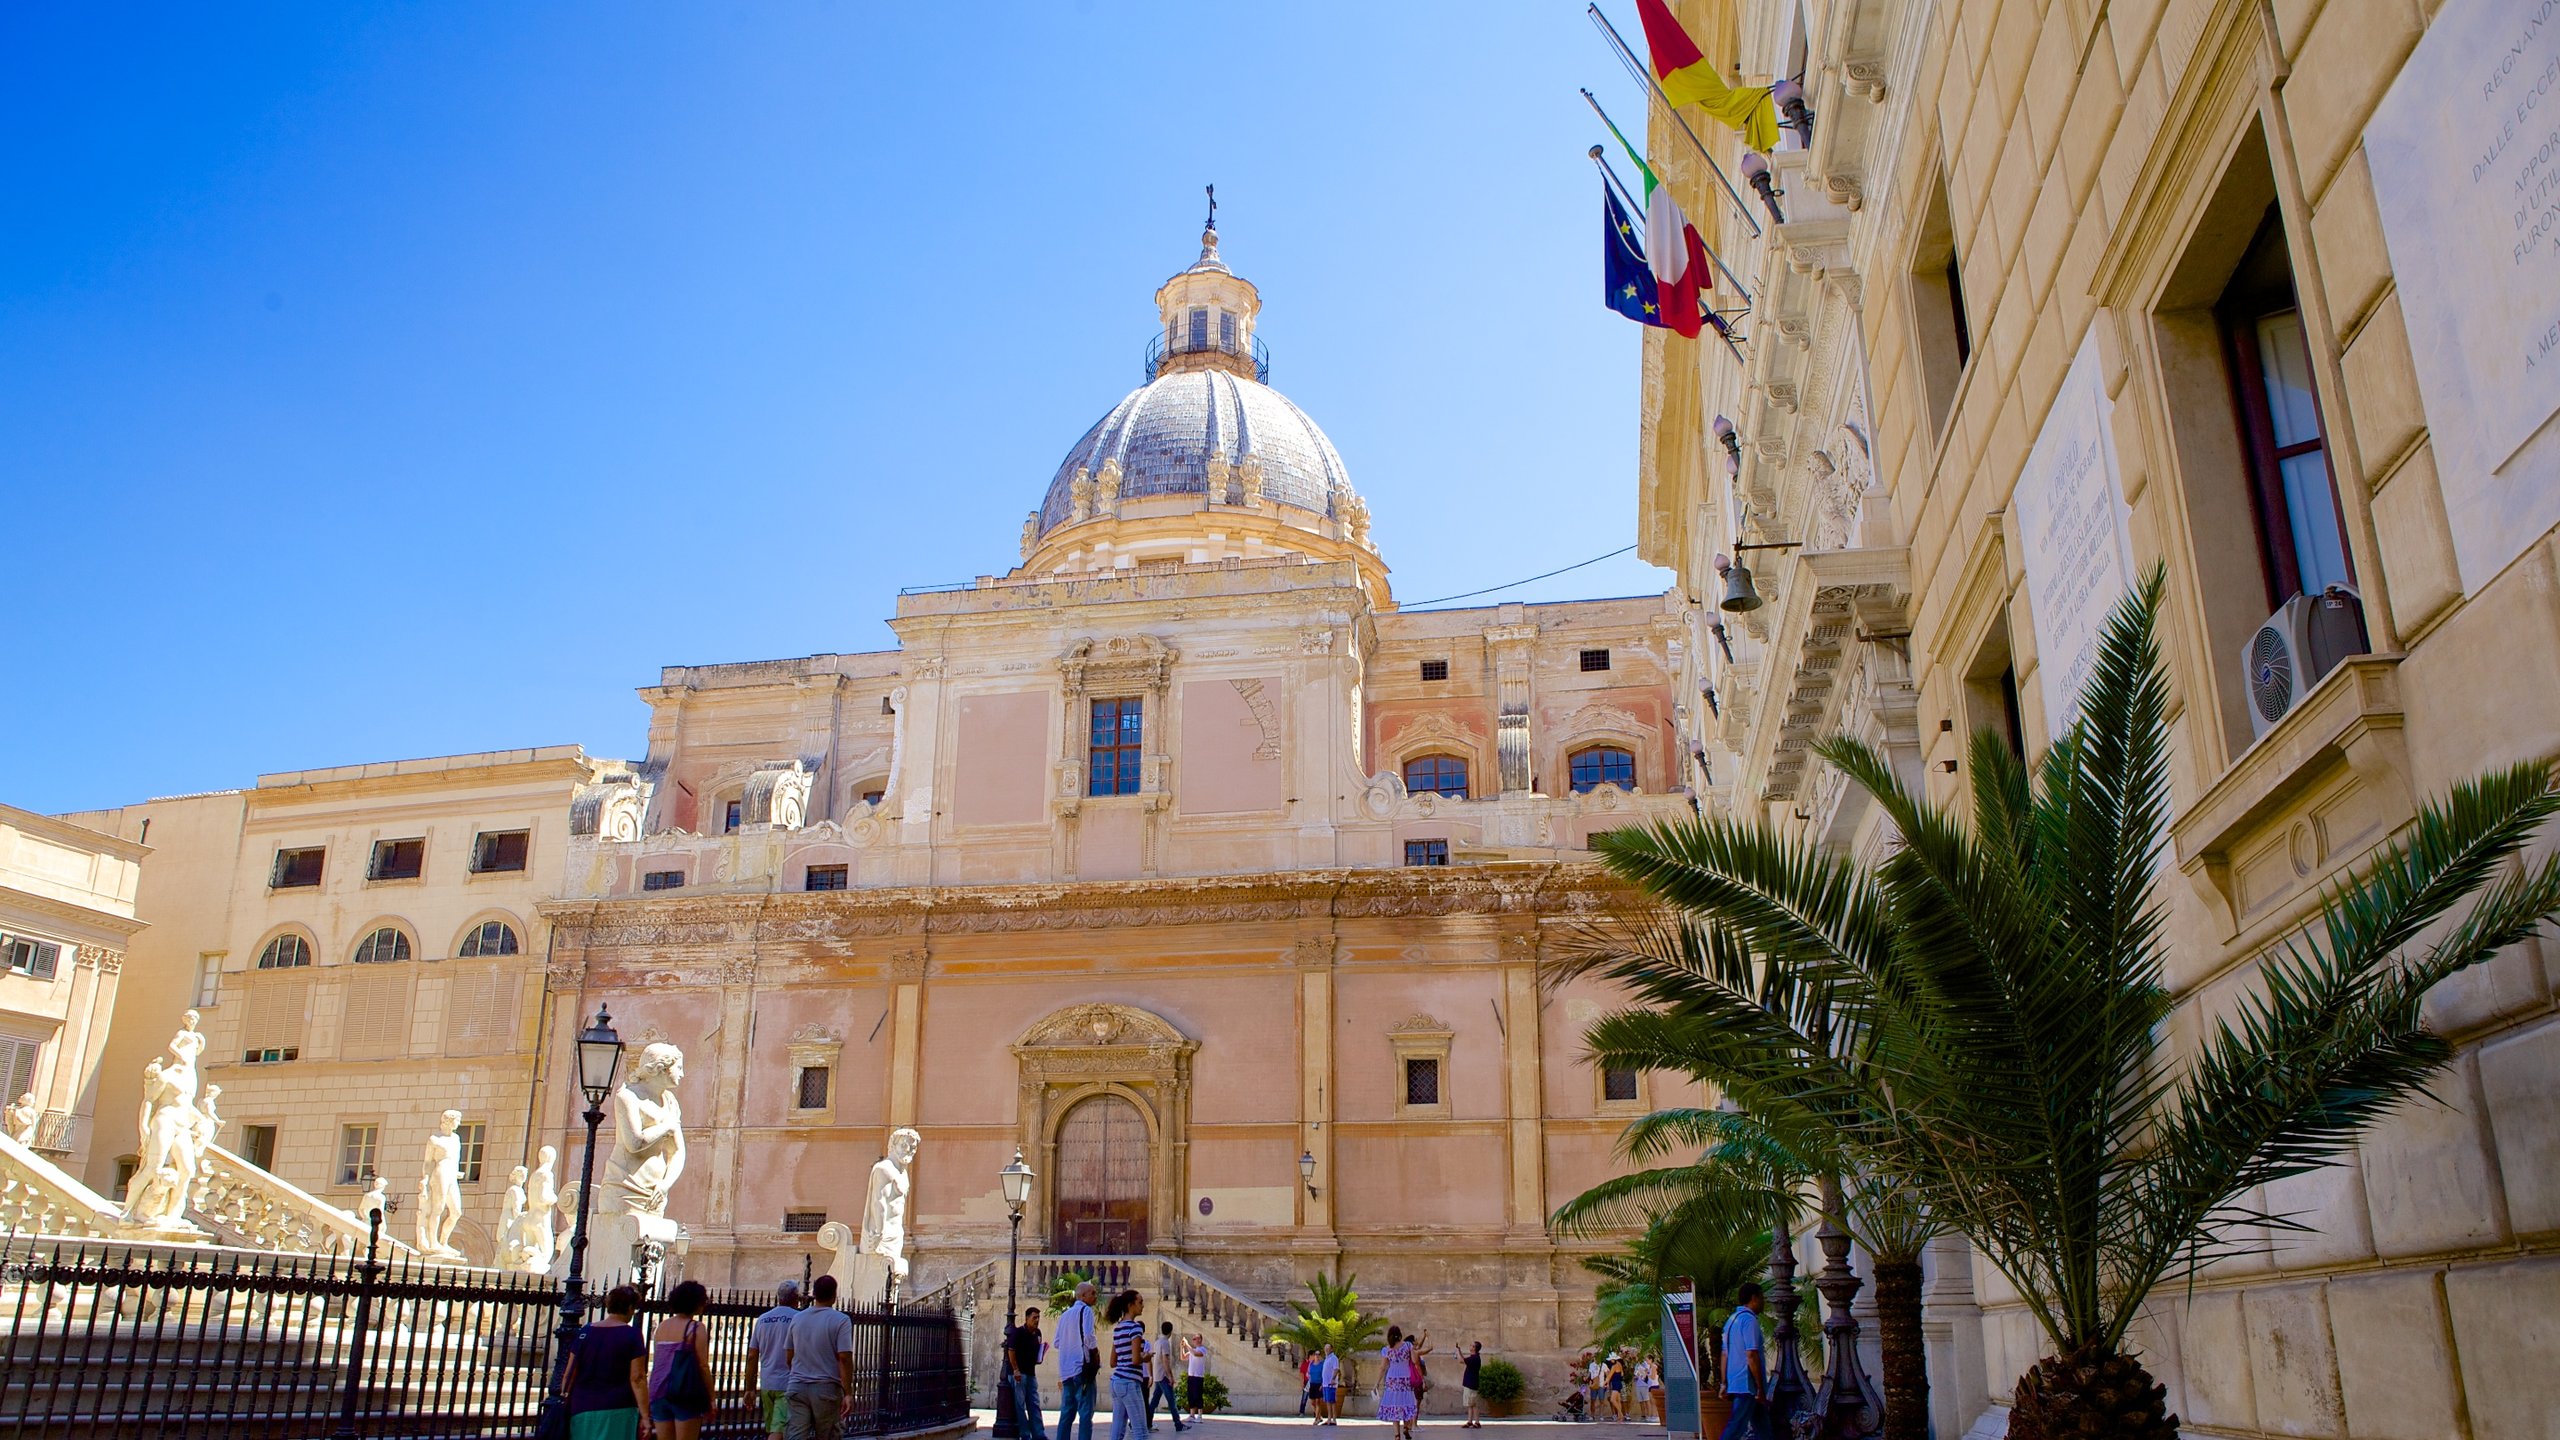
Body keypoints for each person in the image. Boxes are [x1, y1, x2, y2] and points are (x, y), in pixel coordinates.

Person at [557, 1284, 653, 1440]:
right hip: (618, 1407)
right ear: (630, 1307)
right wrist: (645, 1415)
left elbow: (569, 1373)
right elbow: (637, 1378)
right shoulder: (632, 1335)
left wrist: (566, 1398)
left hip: (582, 1406)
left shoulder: (586, 1332)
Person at [784, 1274, 856, 1440]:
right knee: (828, 1435)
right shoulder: (841, 1320)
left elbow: (789, 1356)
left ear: (814, 1294)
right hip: (826, 1387)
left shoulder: (797, 1318)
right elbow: (844, 1358)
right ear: (834, 1295)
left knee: (795, 1436)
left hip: (797, 1386)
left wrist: (798, 1373)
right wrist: (848, 1392)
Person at [648, 1279, 715, 1440]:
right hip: (684, 1391)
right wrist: (710, 1397)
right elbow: (702, 1365)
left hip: (658, 1390)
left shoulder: (662, 1326)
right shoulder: (696, 1328)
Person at [752, 1280, 804, 1440]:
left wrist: (749, 1387)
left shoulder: (763, 1319)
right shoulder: (798, 1318)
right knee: (779, 1432)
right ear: (796, 1297)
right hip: (787, 1382)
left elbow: (752, 1355)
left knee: (772, 1428)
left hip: (767, 1382)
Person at [1719, 1284, 1768, 1440]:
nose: (1763, 1302)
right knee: (1736, 1427)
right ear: (1754, 1298)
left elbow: (1724, 1355)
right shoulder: (1749, 1320)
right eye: (1762, 1298)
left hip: (1736, 1382)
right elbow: (1751, 1354)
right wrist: (1760, 1387)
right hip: (1747, 1385)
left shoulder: (1731, 1321)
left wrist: (1724, 1383)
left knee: (1763, 1427)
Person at [1056, 1280, 1101, 1440]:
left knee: (1066, 1414)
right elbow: (1089, 1338)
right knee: (1085, 1414)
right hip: (1082, 1369)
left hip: (1066, 1371)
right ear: (1083, 1296)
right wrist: (1095, 1353)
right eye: (1093, 1293)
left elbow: (1057, 1342)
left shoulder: (1064, 1315)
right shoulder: (1086, 1311)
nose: (1095, 1297)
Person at [1105, 1289, 1149, 1440]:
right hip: (1130, 1382)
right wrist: (1146, 1357)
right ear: (1131, 1305)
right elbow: (1136, 1360)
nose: (1142, 1306)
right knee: (1140, 1429)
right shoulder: (1135, 1328)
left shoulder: (1118, 1328)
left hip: (1117, 1381)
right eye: (1140, 1302)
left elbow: (1112, 1362)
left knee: (1117, 1431)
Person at [1376, 1325, 1431, 1440]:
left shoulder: (1386, 1350)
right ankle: (1406, 1427)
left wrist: (1377, 1382)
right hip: (1405, 1378)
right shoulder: (1407, 1346)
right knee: (1407, 1402)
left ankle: (1397, 1435)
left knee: (1394, 1405)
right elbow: (1415, 1361)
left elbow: (1382, 1367)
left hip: (1392, 1379)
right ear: (1400, 1334)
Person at [1007, 1306, 1049, 1440]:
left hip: (1031, 1373)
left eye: (1038, 1318)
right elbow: (1011, 1351)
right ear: (1026, 1318)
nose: (1036, 1321)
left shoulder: (1038, 1334)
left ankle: (1039, 1434)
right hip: (1019, 1374)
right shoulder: (1018, 1333)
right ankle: (1025, 1435)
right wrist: (1016, 1370)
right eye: (1034, 1318)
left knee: (1034, 1405)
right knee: (1020, 1405)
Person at [1147, 1319, 1187, 1432]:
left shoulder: (1158, 1341)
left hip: (1157, 1375)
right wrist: (1170, 1376)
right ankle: (1178, 1424)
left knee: (1154, 1401)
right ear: (1170, 1331)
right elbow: (1165, 1359)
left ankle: (1147, 1422)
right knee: (1171, 1401)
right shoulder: (1165, 1343)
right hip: (1163, 1376)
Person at [1183, 1333, 1209, 1421]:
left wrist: (1187, 1344)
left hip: (1198, 1376)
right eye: (1193, 1339)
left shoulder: (1203, 1349)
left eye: (1195, 1339)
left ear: (1200, 1340)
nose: (1193, 1340)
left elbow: (1196, 1354)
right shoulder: (1192, 1350)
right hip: (1191, 1375)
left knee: (1198, 1395)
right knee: (1191, 1395)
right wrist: (1182, 1347)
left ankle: (1200, 1416)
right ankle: (1192, 1415)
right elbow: (1183, 1357)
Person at [1459, 1342, 1484, 1429]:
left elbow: (1461, 1360)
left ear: (1474, 1348)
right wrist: (1459, 1351)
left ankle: (1477, 1422)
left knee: (1474, 1404)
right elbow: (1464, 1360)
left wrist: (1458, 1352)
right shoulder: (1474, 1358)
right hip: (1470, 1383)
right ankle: (1470, 1421)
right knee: (1470, 1404)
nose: (1470, 1346)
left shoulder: (1474, 1358)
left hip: (1471, 1384)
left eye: (1472, 1345)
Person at [1318, 1344, 1342, 1426]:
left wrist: (1333, 1379)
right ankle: (1329, 1418)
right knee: (1328, 1401)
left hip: (1331, 1384)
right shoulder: (1326, 1359)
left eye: (1328, 1348)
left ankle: (1334, 1419)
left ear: (1332, 1349)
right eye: (1325, 1348)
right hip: (1325, 1384)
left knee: (1332, 1401)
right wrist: (1322, 1383)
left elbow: (1336, 1369)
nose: (1326, 1350)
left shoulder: (1334, 1358)